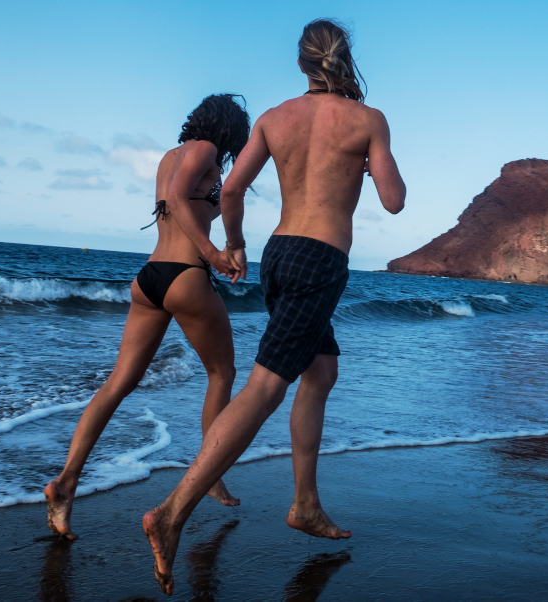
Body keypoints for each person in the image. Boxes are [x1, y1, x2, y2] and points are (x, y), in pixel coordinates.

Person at [142, 19, 406, 595]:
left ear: (301, 64)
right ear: (344, 59)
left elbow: (231, 190)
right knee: (265, 387)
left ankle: (305, 503)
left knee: (321, 369)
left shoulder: (273, 118)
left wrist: (234, 243)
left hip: (280, 256)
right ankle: (172, 512)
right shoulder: (368, 120)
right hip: (321, 259)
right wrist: (369, 163)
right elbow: (394, 201)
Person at [44, 94, 251, 540]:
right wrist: (214, 252)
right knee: (222, 373)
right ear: (229, 129)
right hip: (185, 276)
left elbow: (185, 204)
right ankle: (210, 474)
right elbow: (178, 200)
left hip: (150, 278)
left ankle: (65, 482)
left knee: (118, 381)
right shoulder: (205, 150)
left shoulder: (171, 156)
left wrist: (228, 217)